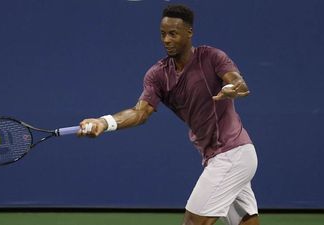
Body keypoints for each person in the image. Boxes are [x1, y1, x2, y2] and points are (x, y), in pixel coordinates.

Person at [78, 4, 260, 225]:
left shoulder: (211, 57)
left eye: (173, 34)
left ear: (189, 32)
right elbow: (139, 113)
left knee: (193, 222)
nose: (166, 40)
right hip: (218, 157)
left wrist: (232, 88)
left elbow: (238, 82)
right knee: (246, 222)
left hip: (233, 154)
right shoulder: (158, 75)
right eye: (163, 34)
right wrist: (103, 122)